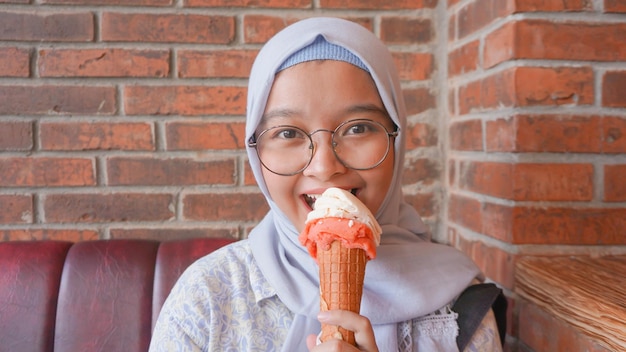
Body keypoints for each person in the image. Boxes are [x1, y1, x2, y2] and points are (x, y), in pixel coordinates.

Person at [150, 17, 504, 352]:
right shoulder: (208, 299)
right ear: (255, 151)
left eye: (358, 128)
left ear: (397, 139)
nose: (324, 167)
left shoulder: (460, 307)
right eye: (287, 133)